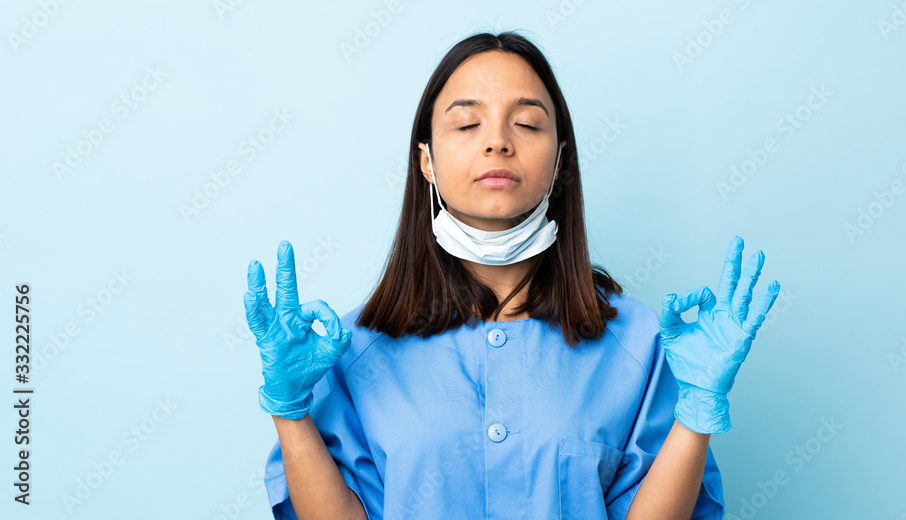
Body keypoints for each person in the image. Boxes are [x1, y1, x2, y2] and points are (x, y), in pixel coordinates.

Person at [244, 31, 780, 520]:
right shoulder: (351, 348)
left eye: (525, 123)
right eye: (467, 122)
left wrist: (696, 413)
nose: (497, 141)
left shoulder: (642, 344)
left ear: (560, 160)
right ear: (426, 161)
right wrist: (290, 412)